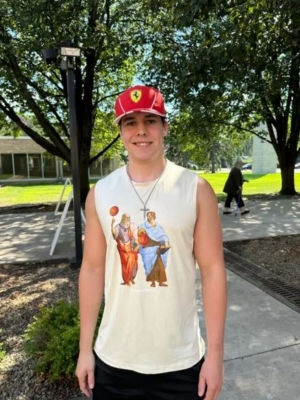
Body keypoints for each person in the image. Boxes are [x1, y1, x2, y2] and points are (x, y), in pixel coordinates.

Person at [76, 85, 227, 400]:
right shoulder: (100, 194)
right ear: (119, 130)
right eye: (131, 122)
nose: (141, 130)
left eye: (151, 120)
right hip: (115, 360)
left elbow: (213, 271)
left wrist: (215, 356)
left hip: (181, 361)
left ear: (165, 126)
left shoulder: (195, 190)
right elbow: (91, 269)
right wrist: (84, 349)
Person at [138, 210, 171, 287]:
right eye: (147, 216)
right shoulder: (143, 225)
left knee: (160, 265)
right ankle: (152, 282)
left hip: (158, 248)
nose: (148, 217)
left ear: (153, 217)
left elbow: (163, 235)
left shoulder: (158, 226)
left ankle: (160, 282)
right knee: (150, 266)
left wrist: (166, 241)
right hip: (148, 249)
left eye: (150, 216)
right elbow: (140, 236)